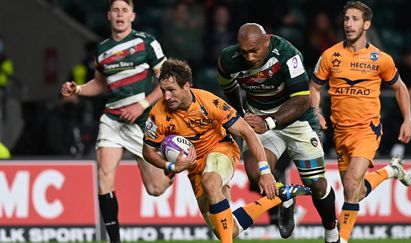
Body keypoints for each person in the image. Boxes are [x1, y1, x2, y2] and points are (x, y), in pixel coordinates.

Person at [142, 58, 311, 243]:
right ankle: (280, 196)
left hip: (220, 149)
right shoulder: (157, 116)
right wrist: (172, 166)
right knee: (227, 229)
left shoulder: (208, 102)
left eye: (171, 90)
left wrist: (265, 171)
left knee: (210, 181)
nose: (166, 97)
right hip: (193, 166)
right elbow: (148, 152)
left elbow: (247, 133)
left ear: (187, 86)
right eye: (163, 90)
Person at [60, 1, 172, 242]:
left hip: (141, 123)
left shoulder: (146, 42)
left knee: (155, 189)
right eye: (116, 10)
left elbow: (167, 83)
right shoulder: (102, 49)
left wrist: (141, 105)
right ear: (109, 15)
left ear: (133, 15)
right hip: (112, 120)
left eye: (124, 10)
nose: (120, 14)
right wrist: (77, 89)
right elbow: (99, 84)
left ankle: (175, 168)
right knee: (104, 177)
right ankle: (114, 240)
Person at [217, 23, 339, 242]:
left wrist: (269, 122)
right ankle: (286, 196)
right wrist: (242, 114)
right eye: (244, 51)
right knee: (256, 176)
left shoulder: (287, 55)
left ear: (267, 41)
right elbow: (229, 87)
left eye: (254, 50)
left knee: (316, 185)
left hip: (297, 121)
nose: (250, 57)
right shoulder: (228, 59)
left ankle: (331, 232)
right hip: (260, 119)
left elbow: (302, 100)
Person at [309, 2, 411, 243]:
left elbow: (400, 88)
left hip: (367, 130)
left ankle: (340, 240)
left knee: (351, 182)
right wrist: (316, 111)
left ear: (366, 24)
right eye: (346, 18)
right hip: (340, 131)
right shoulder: (330, 55)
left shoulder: (380, 59)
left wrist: (407, 120)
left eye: (355, 19)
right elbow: (314, 87)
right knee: (353, 191)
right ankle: (391, 170)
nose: (349, 23)